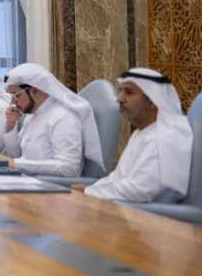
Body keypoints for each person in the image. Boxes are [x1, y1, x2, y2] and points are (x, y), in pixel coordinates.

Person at [83, 68, 193, 203]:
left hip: (150, 214)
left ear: (153, 101)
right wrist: (90, 189)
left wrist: (89, 192)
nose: (119, 99)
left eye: (129, 93)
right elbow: (118, 178)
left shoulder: (165, 137)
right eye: (120, 91)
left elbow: (139, 191)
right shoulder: (142, 132)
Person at [1, 63, 103, 177]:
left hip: (49, 185)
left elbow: (69, 168)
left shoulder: (63, 117)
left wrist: (15, 163)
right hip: (26, 180)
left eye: (16, 95)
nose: (12, 102)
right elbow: (16, 156)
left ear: (35, 90)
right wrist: (11, 126)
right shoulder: (31, 116)